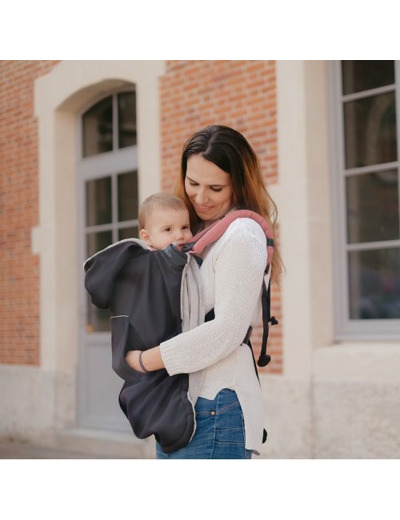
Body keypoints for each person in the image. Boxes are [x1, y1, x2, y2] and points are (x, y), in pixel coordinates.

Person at [125, 124, 283, 459]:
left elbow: (227, 330)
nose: (200, 196)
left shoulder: (241, 234)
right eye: (192, 182)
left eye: (215, 187)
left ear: (238, 184)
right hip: (181, 400)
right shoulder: (191, 232)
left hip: (215, 405)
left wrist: (145, 360)